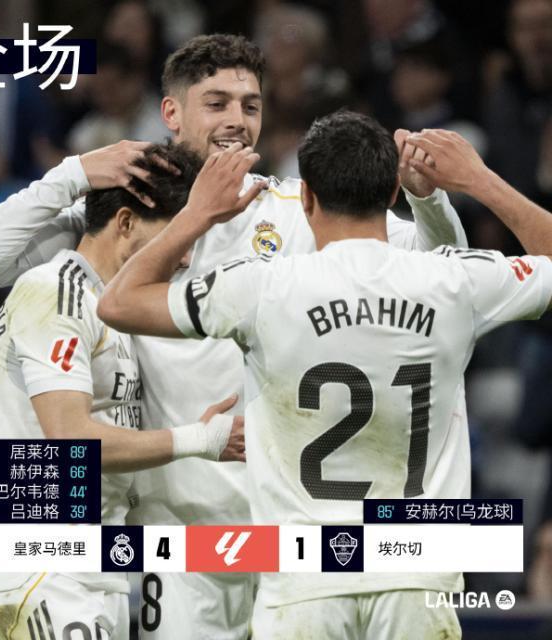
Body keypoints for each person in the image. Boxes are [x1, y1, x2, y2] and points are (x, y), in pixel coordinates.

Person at [0, 34, 468, 640]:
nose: (237, 120)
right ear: (171, 113)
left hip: (287, 532)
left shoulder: (294, 210)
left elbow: (442, 270)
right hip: (177, 539)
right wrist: (73, 173)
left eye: (251, 105)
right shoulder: (134, 208)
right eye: (216, 103)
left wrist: (429, 203)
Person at [97, 116, 552, 640]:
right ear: (391, 193)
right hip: (415, 572)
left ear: (306, 197)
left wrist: (196, 214)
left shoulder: (263, 287)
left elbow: (118, 303)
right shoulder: (455, 280)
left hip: (303, 579)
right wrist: (477, 179)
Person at [0, 143, 244, 640]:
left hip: (99, 566)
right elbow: (69, 437)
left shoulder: (114, 311)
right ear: (124, 222)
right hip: (41, 561)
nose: (186, 256)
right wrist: (199, 439)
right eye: (177, 235)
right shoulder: (54, 290)